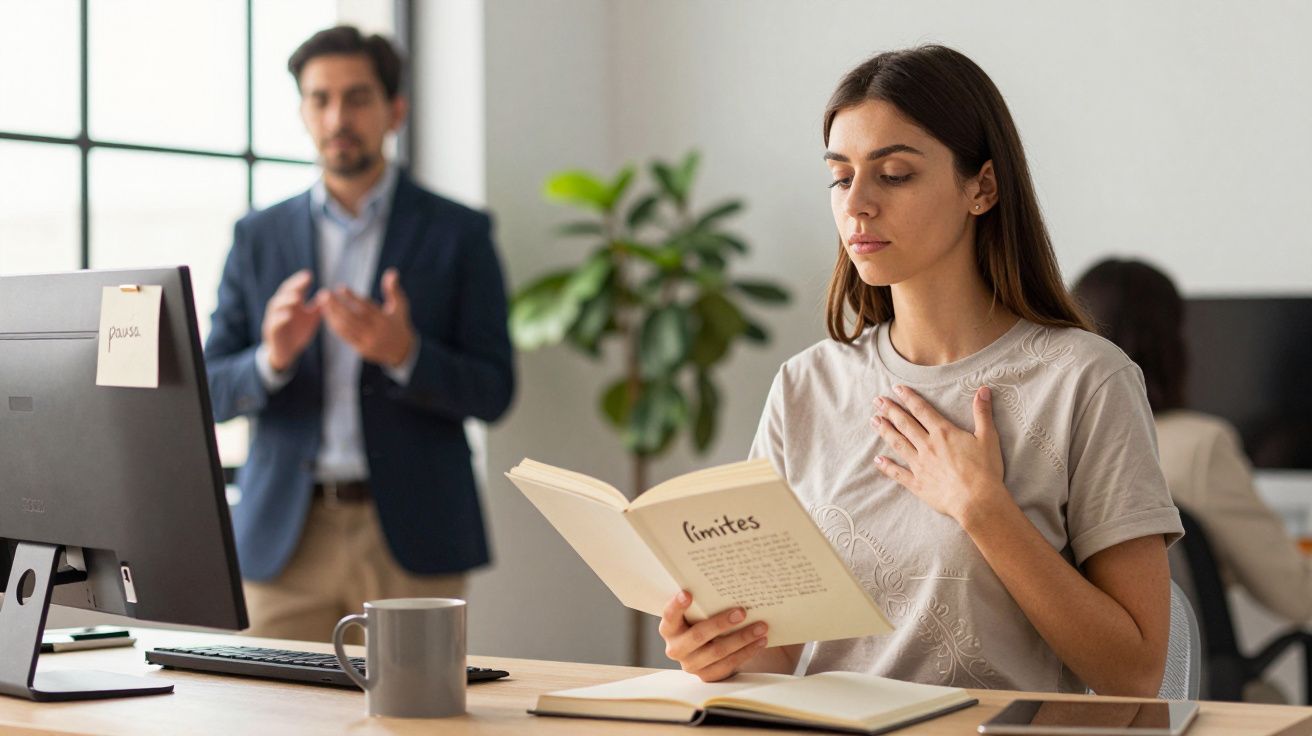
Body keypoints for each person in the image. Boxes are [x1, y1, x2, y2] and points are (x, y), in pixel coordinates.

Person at [657, 46, 1183, 696]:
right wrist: (716, 650)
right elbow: (780, 661)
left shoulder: (1086, 380)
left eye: (894, 174)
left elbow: (1134, 673)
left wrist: (985, 510)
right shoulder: (805, 386)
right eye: (839, 176)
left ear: (982, 187)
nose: (857, 204)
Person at [204, 25, 515, 642]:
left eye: (358, 97)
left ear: (395, 110)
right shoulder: (257, 235)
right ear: (302, 111)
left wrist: (406, 354)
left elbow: (495, 390)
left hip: (413, 537)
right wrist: (272, 358)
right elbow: (209, 391)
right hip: (283, 540)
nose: (337, 115)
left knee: (417, 725)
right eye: (320, 98)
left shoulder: (461, 233)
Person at [1074, 258, 1312, 623]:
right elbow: (1297, 596)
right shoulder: (1200, 446)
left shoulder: (1056, 446)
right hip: (1176, 676)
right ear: (1172, 345)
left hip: (1074, 673)